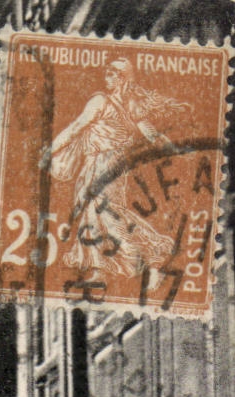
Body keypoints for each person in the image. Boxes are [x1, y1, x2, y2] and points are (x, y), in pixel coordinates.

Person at [42, 58, 188, 278]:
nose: (107, 78)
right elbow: (153, 135)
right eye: (107, 73)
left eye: (112, 74)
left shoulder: (100, 101)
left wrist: (50, 151)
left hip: (103, 162)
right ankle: (102, 268)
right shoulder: (131, 105)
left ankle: (151, 258)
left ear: (122, 79)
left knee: (105, 213)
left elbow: (76, 128)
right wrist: (175, 149)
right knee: (96, 214)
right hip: (112, 166)